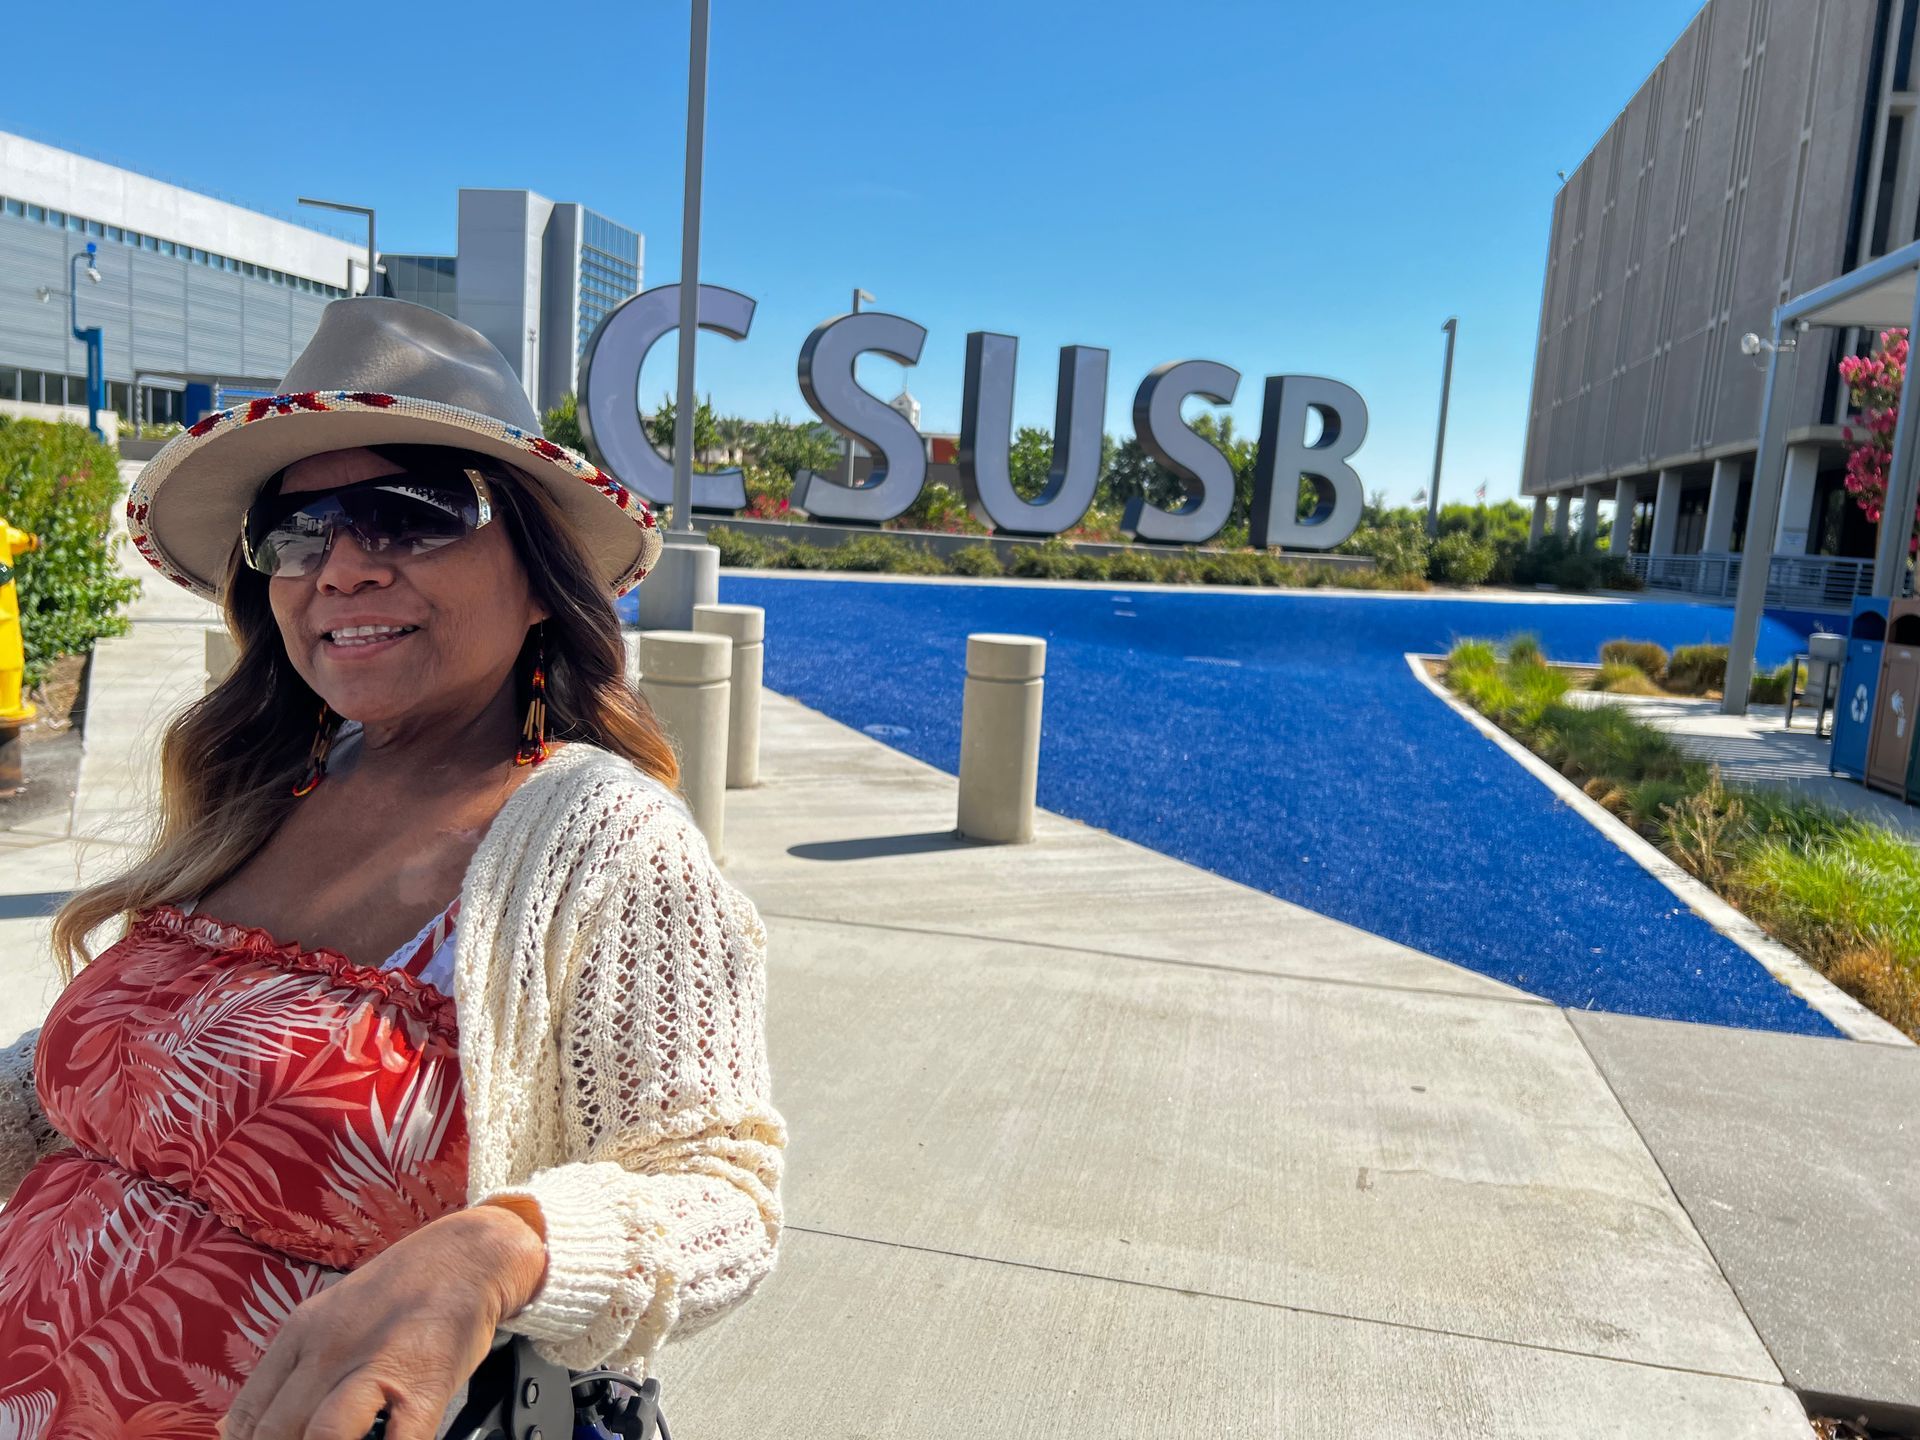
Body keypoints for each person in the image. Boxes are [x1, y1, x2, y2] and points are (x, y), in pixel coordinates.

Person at [0, 298, 786, 1440]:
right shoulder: (262, 789)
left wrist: (495, 1252)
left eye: (408, 516)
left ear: (537, 577)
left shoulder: (605, 840)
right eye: (299, 532)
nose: (343, 569)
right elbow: (128, 1067)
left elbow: (720, 1193)